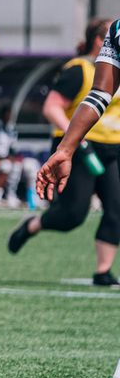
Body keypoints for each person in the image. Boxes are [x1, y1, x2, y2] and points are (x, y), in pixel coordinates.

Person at [34, 17, 120, 378]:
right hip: (97, 148)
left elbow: (99, 94)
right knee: (74, 214)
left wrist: (65, 148)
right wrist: (70, 149)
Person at [11, 19, 120, 288]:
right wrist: (70, 146)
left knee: (117, 209)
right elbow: (59, 105)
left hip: (114, 146)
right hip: (83, 145)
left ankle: (103, 271)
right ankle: (33, 226)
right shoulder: (81, 66)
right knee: (73, 214)